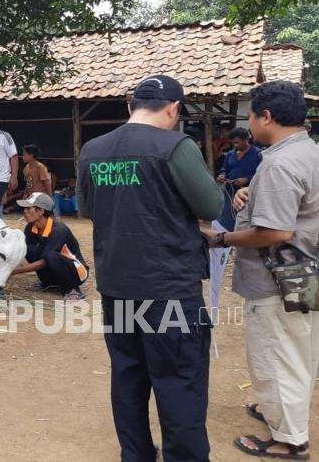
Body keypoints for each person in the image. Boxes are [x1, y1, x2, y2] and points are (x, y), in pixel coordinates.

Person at [77, 75, 224, 462]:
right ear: (174, 109)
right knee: (179, 383)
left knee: (128, 375)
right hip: (169, 289)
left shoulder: (92, 149)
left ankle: (136, 454)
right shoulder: (176, 146)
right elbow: (211, 207)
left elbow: (87, 209)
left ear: (130, 106)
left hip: (117, 285)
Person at [202, 81, 319, 460]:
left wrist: (221, 239)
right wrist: (251, 194)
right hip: (304, 271)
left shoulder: (280, 163)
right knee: (298, 349)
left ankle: (289, 439)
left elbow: (276, 231)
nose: (248, 123)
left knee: (275, 353)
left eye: (251, 115)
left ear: (266, 116)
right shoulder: (307, 152)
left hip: (278, 278)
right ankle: (282, 414)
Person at [10, 192, 87, 300]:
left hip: (77, 272)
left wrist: (14, 271)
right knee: (27, 249)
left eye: (28, 209)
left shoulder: (58, 230)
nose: (24, 211)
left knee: (50, 255)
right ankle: (48, 282)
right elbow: (25, 252)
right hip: (54, 264)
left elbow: (45, 260)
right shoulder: (30, 228)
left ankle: (72, 289)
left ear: (40, 211)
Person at [216, 127, 262, 230]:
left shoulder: (258, 154)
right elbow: (224, 169)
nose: (235, 145)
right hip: (230, 192)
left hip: (248, 194)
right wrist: (222, 175)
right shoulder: (230, 154)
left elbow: (263, 175)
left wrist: (247, 179)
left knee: (245, 220)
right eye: (233, 143)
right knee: (227, 218)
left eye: (237, 142)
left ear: (246, 139)